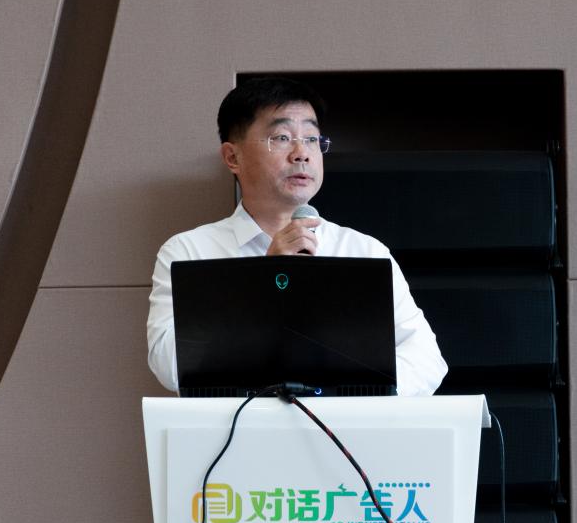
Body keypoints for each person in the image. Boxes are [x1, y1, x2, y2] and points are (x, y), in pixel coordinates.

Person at [146, 77, 448, 395]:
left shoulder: (363, 251)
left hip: (343, 426)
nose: (302, 153)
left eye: (312, 139)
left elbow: (427, 359)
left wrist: (351, 399)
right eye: (282, 137)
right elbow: (170, 365)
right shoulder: (189, 252)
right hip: (239, 427)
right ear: (233, 157)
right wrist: (263, 283)